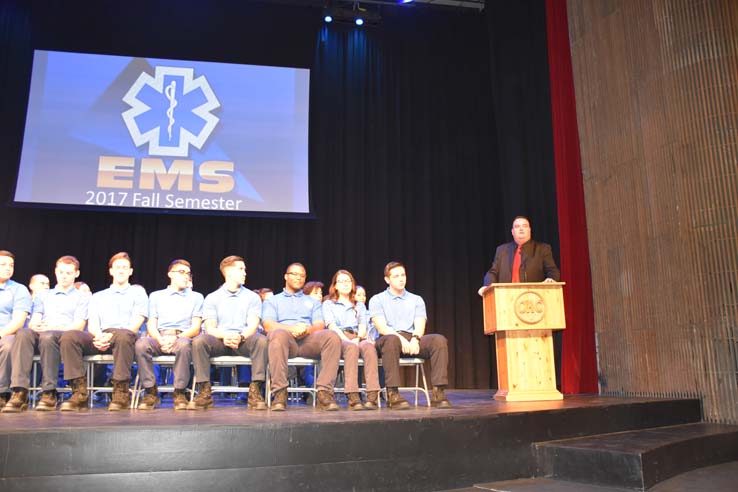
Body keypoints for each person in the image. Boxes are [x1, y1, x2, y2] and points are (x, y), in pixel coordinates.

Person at [59, 252, 147, 411]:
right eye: (117, 268)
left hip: (127, 336)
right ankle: (78, 391)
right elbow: (93, 324)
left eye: (124, 268)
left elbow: (136, 324)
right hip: (101, 335)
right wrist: (98, 336)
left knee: (124, 335)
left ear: (130, 271)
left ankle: (120, 392)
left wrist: (110, 335)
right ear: (111, 271)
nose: (121, 271)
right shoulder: (99, 296)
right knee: (69, 336)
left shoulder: (138, 294)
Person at [3, 255, 88, 413]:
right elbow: (36, 318)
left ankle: (49, 392)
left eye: (68, 273)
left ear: (76, 274)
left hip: (64, 336)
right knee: (23, 333)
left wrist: (54, 326)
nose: (64, 276)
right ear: (55, 271)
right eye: (61, 272)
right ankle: (19, 391)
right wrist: (35, 324)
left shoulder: (82, 297)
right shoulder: (43, 295)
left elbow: (79, 325)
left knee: (49, 336)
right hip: (43, 332)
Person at [188, 255, 268, 411]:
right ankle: (204, 390)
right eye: (241, 269)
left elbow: (253, 324)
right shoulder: (212, 298)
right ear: (228, 272)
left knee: (261, 340)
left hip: (244, 340)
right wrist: (225, 336)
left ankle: (256, 389)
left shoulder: (252, 297)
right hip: (220, 339)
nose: (245, 272)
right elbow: (210, 327)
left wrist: (241, 336)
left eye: (244, 269)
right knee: (199, 341)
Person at [369, 261, 451, 409]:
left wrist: (415, 339)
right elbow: (381, 327)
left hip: (411, 338)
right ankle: (392, 394)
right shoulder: (377, 299)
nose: (401, 279)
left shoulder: (416, 299)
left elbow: (420, 323)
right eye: (396, 276)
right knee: (392, 340)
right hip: (388, 338)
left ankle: (439, 393)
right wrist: (400, 339)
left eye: (403, 275)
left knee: (438, 340)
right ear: (387, 280)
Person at [263, 263, 341, 411]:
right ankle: (280, 392)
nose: (299, 277)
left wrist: (306, 329)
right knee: (277, 334)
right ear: (286, 276)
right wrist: (292, 329)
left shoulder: (312, 301)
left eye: (302, 275)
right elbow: (268, 325)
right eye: (295, 274)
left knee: (331, 336)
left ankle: (324, 392)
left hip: (308, 340)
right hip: (285, 340)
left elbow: (319, 324)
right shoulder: (273, 300)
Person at [135, 259, 203, 410]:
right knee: (141, 344)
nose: (186, 276)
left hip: (183, 336)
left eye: (188, 273)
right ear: (170, 274)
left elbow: (196, 327)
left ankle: (179, 392)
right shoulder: (156, 296)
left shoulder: (196, 297)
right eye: (181, 272)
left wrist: (176, 338)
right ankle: (150, 391)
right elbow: (151, 324)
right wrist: (159, 339)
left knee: (185, 345)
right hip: (160, 336)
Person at [322, 270, 380, 410]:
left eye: (348, 281)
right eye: (341, 281)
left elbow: (362, 326)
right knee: (351, 348)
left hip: (357, 337)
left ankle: (372, 394)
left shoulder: (359, 305)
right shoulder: (329, 304)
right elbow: (332, 326)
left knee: (369, 347)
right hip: (338, 338)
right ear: (335, 285)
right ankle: (353, 395)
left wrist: (359, 338)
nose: (345, 284)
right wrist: (347, 340)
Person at [478, 216, 560, 296]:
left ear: (529, 230)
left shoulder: (542, 249)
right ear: (512, 232)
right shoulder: (502, 250)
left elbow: (552, 271)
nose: (521, 229)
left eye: (524, 226)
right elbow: (493, 272)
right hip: (506, 297)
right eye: (517, 226)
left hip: (533, 296)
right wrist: (487, 286)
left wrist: (551, 279)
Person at [0, 251, 33, 408]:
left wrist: (1, 334)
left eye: (11, 265)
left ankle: (2, 392)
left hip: (8, 333)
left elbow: (19, 321)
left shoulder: (19, 290)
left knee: (7, 344)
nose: (8, 268)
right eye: (3, 264)